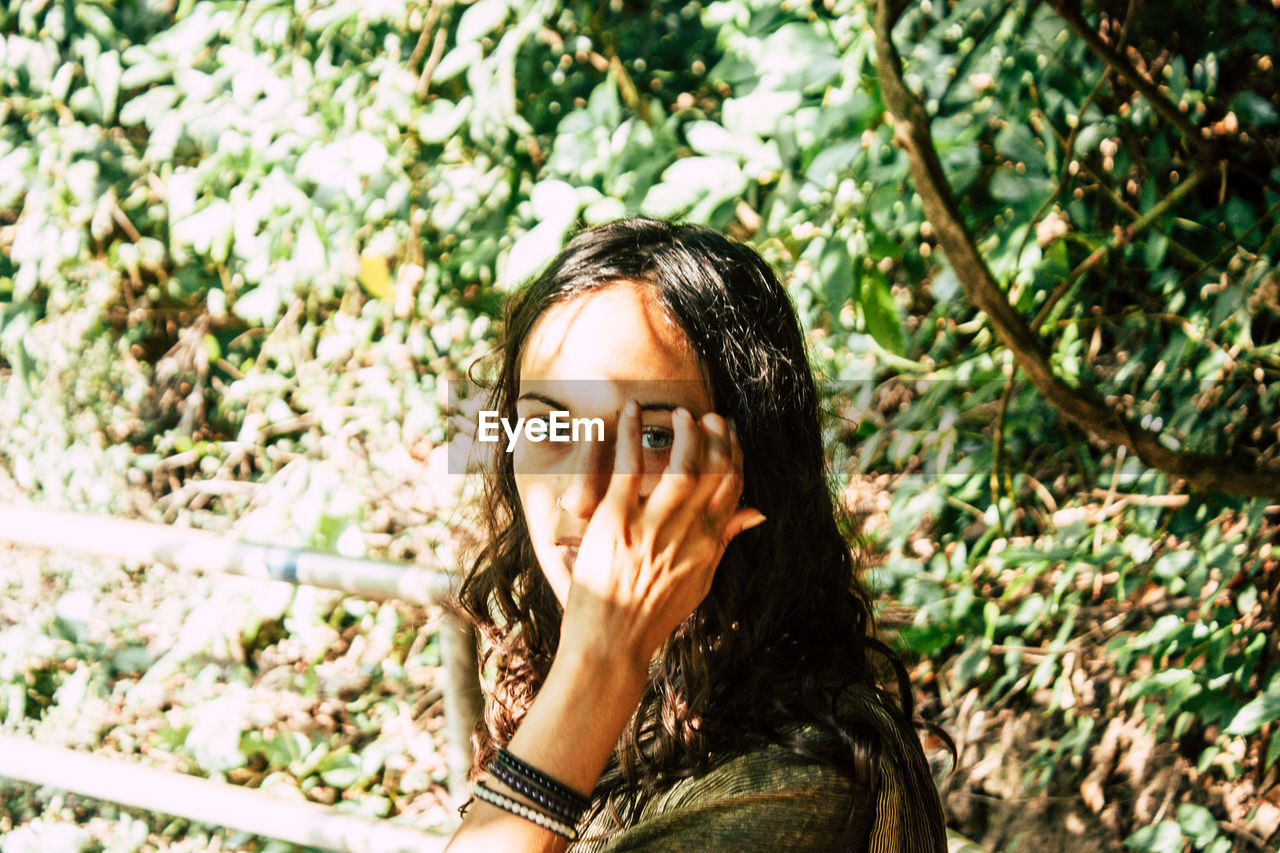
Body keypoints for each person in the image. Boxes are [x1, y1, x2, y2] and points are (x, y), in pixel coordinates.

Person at [444, 218, 949, 852]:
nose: (581, 494)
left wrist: (598, 665)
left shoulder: (799, 787)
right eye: (550, 429)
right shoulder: (620, 701)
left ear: (755, 472)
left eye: (655, 438)